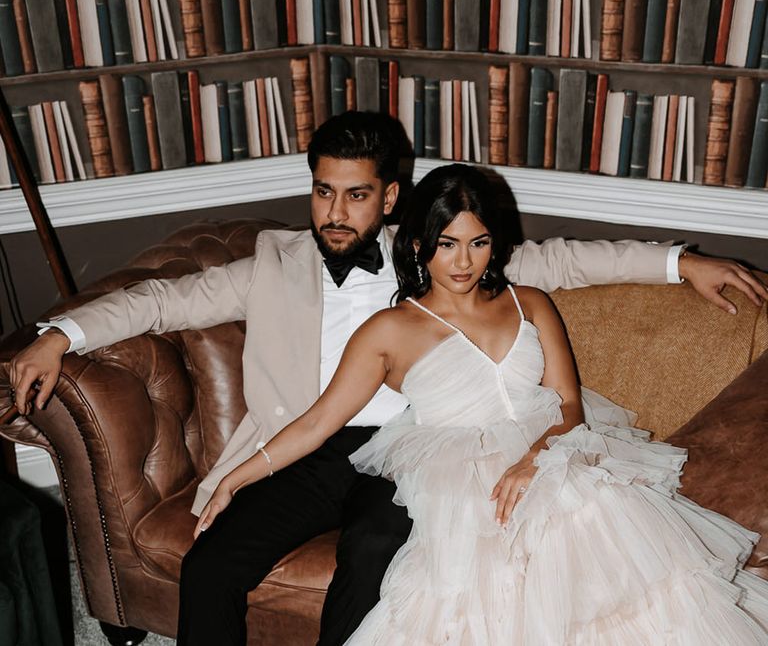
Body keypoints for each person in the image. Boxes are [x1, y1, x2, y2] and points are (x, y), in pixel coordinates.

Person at [7, 112, 767, 645]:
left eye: (357, 194)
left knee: (373, 553)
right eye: (323, 191)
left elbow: (575, 259)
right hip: (312, 441)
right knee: (215, 560)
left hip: (417, 446)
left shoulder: (447, 248)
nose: (335, 212)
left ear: (391, 197)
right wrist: (56, 334)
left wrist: (683, 261)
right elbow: (162, 300)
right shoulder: (275, 262)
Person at [197, 162, 768, 644]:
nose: (464, 262)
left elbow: (568, 406)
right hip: (453, 479)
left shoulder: (532, 303)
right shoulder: (388, 330)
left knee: (628, 574)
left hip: (552, 458)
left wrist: (535, 460)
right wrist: (235, 480)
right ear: (419, 244)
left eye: (478, 242)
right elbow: (319, 421)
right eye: (447, 245)